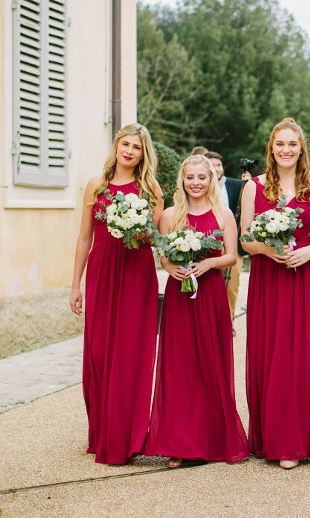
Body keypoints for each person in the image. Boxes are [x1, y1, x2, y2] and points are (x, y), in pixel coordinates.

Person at [144, 155, 248, 468]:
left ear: (211, 179)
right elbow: (163, 256)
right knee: (179, 365)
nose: (196, 183)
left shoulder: (223, 213)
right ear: (183, 180)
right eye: (190, 177)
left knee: (210, 363)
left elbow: (231, 256)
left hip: (211, 294)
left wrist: (208, 263)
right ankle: (178, 443)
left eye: (202, 177)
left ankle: (212, 439)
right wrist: (171, 267)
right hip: (179, 294)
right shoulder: (171, 215)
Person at [240, 117, 310, 470]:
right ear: (271, 148)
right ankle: (277, 439)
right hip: (270, 281)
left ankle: (304, 437)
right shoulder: (255, 187)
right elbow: (246, 239)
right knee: (273, 354)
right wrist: (267, 250)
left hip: (306, 278)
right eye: (280, 144)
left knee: (302, 355)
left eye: (292, 144)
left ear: (301, 148)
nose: (286, 150)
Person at [69, 123, 163, 464]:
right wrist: (75, 284)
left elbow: (155, 238)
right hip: (101, 274)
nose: (129, 151)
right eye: (125, 144)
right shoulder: (96, 186)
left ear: (143, 154)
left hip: (136, 275)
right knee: (98, 353)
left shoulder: (150, 188)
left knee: (130, 354)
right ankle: (101, 431)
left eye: (136, 147)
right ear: (116, 146)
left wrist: (136, 228)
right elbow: (84, 238)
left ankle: (127, 436)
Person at [206, 151, 245, 324]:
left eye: (218, 165)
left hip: (232, 244)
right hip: (207, 243)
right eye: (212, 165)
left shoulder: (235, 184)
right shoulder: (199, 187)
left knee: (232, 285)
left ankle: (228, 322)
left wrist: (247, 183)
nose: (216, 169)